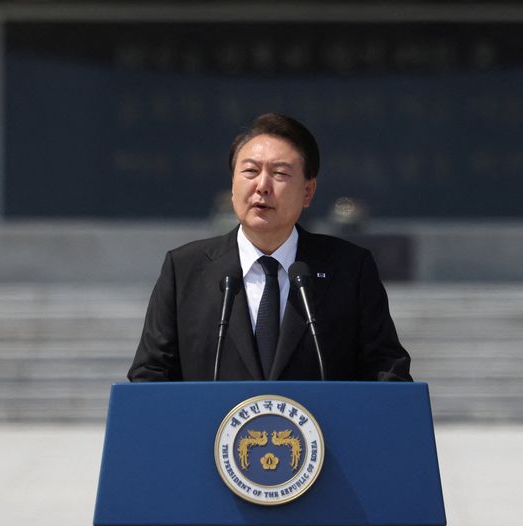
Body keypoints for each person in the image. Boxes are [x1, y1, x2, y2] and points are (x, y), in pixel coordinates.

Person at [127, 113, 412, 381]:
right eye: (250, 171)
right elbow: (150, 375)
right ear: (233, 185)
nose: (262, 186)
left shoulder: (349, 269)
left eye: (279, 173)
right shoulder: (184, 270)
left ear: (308, 191)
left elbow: (388, 372)